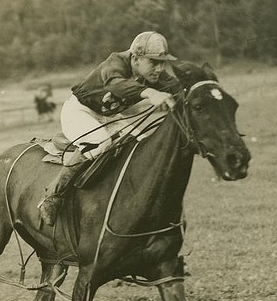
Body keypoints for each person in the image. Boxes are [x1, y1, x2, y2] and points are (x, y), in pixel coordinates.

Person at [38, 31, 182, 226]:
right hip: (80, 111)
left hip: (109, 117)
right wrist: (150, 93)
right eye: (153, 62)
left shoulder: (151, 74)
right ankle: (52, 196)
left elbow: (179, 86)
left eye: (162, 63)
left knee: (141, 144)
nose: (159, 68)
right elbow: (116, 85)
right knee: (101, 142)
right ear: (135, 58)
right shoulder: (115, 63)